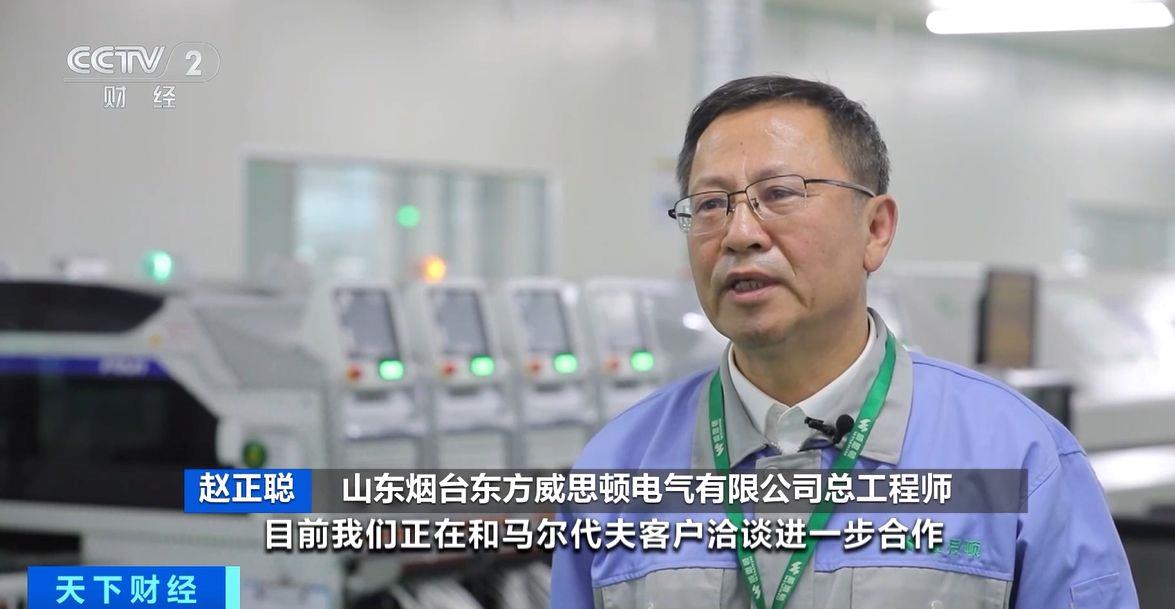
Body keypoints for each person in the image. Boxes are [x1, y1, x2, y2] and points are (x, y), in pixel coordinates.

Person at [549, 75, 1137, 609]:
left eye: (780, 194)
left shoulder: (1017, 458)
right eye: (710, 205)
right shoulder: (617, 468)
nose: (740, 233)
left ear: (875, 229)